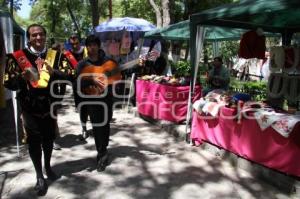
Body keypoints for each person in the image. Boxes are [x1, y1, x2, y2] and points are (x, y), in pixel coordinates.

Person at [4, 24, 67, 196]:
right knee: (33, 141)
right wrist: (21, 78)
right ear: (28, 38)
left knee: (48, 139)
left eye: (41, 34)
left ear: (45, 36)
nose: (38, 38)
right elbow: (8, 82)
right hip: (29, 107)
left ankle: (47, 165)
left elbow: (69, 75)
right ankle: (39, 175)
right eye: (34, 35)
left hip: (50, 105)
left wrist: (54, 72)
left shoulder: (56, 55)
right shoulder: (17, 57)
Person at [75, 35, 113, 172]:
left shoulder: (108, 61)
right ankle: (101, 153)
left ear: (98, 46)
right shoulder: (82, 64)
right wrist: (92, 80)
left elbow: (116, 77)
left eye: (95, 44)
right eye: (89, 45)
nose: (92, 47)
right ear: (87, 47)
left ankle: (104, 148)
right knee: (97, 126)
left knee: (106, 123)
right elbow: (78, 82)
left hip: (107, 99)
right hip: (92, 100)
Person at [66, 34, 89, 140]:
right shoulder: (68, 54)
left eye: (76, 43)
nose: (74, 45)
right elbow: (65, 69)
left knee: (92, 106)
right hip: (77, 86)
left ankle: (95, 128)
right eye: (72, 44)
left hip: (90, 84)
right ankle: (84, 129)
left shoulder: (87, 51)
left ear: (80, 42)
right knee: (81, 108)